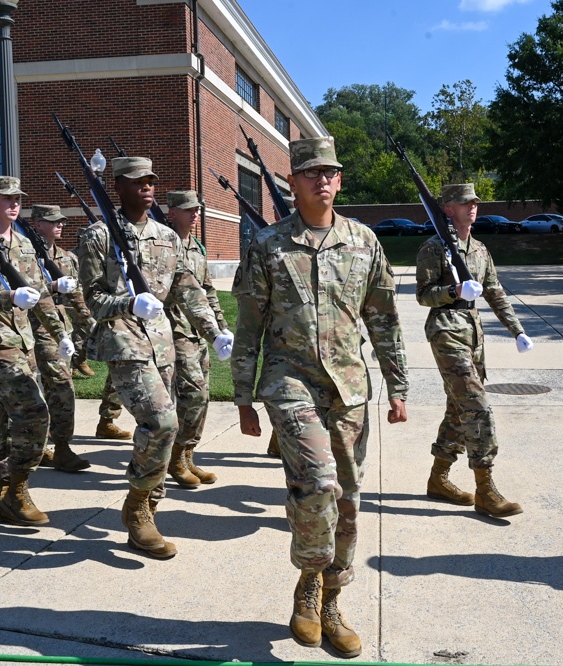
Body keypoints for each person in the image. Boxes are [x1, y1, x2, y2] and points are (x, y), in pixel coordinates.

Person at [231, 137, 409, 659]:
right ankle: (308, 582)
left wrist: (397, 387)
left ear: (340, 180)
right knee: (318, 480)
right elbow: (249, 326)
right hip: (290, 381)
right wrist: (244, 396)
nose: (322, 181)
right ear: (293, 182)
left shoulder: (363, 241)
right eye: (311, 173)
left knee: (349, 495)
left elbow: (383, 319)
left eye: (330, 173)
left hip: (349, 384)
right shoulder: (267, 244)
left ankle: (332, 598)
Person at [79, 156, 232, 559]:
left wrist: (214, 331)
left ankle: (147, 505)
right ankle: (137, 508)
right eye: (137, 181)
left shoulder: (168, 236)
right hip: (123, 340)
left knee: (167, 425)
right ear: (119, 187)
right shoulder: (98, 236)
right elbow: (92, 298)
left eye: (150, 181)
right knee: (161, 422)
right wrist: (129, 303)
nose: (147, 187)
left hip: (162, 341)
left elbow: (188, 288)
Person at [0, 176, 73, 526]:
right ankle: (18, 488)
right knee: (34, 414)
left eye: (18, 198)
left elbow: (38, 294)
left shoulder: (22, 242)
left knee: (9, 422)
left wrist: (60, 332)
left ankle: (1, 499)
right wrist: (7, 297)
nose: (14, 204)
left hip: (24, 340)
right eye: (6, 198)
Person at [416, 183, 531, 518]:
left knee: (457, 408)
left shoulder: (479, 249)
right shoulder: (434, 247)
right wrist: (454, 290)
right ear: (447, 208)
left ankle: (438, 479)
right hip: (446, 331)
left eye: (475, 203)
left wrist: (517, 330)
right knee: (477, 405)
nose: (473, 207)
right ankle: (485, 489)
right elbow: (424, 294)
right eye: (465, 203)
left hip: (473, 333)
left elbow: (494, 292)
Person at [164, 190, 228, 488]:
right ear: (172, 212)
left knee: (201, 397)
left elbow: (207, 290)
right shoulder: (164, 243)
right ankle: (176, 456)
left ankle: (187, 454)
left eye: (197, 209)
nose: (195, 214)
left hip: (198, 332)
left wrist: (221, 325)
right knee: (193, 395)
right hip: (174, 331)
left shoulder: (197, 247)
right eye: (188, 209)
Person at [27, 204, 91, 472]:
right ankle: (35, 448)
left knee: (62, 387)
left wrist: (89, 322)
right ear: (38, 224)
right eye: (53, 222)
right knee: (30, 391)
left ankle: (61, 447)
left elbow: (76, 297)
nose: (60, 225)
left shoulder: (67, 258)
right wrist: (51, 286)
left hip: (56, 331)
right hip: (30, 326)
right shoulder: (25, 254)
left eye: (61, 221)